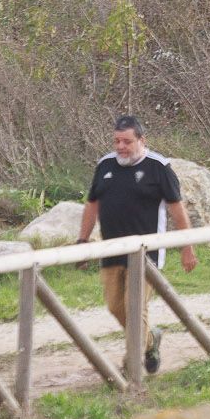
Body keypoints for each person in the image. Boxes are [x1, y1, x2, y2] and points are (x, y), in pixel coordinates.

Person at [76, 114, 196, 374]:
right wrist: (82, 241)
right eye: (117, 141)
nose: (120, 147)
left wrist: (187, 247)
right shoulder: (105, 165)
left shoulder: (159, 167)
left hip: (146, 254)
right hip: (110, 250)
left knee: (135, 308)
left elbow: (177, 209)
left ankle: (131, 366)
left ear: (142, 140)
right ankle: (150, 340)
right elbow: (92, 204)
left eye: (127, 142)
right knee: (114, 307)